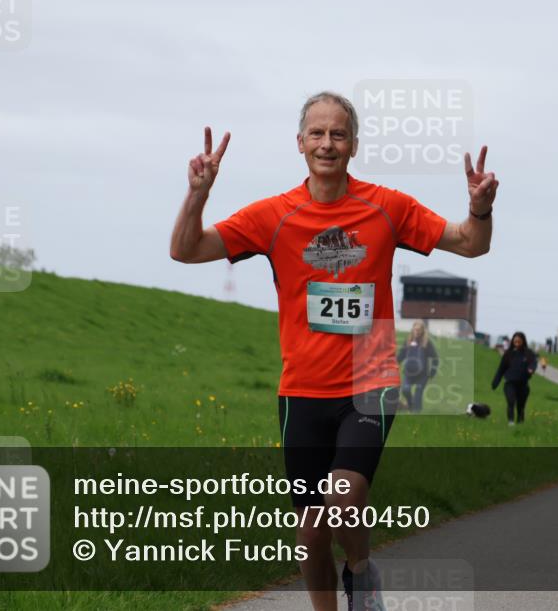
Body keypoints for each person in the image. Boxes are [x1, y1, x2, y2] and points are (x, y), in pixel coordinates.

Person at [169, 91, 498, 611]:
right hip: (301, 393)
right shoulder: (272, 216)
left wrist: (480, 208)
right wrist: (197, 195)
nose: (328, 143)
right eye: (317, 133)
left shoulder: (387, 208)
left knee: (345, 499)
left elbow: (470, 243)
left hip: (370, 385)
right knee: (311, 535)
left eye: (338, 134)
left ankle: (362, 572)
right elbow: (186, 250)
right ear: (300, 144)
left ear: (354, 146)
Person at [491, 332, 538, 425]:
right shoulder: (508, 354)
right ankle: (511, 422)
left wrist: (531, 369)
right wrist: (495, 383)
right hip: (510, 384)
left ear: (523, 341)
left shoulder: (528, 353)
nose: (517, 343)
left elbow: (534, 362)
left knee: (521, 407)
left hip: (523, 385)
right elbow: (501, 369)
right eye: (515, 341)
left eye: (519, 341)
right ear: (512, 341)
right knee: (511, 402)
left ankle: (520, 424)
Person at [396, 320, 439, 413]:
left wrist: (432, 371)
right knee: (405, 390)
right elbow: (401, 355)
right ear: (413, 330)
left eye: (419, 330)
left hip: (422, 375)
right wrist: (393, 365)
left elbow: (435, 358)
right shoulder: (408, 341)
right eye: (415, 329)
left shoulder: (427, 343)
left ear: (423, 331)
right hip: (408, 373)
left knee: (417, 395)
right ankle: (410, 405)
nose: (417, 332)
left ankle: (416, 413)